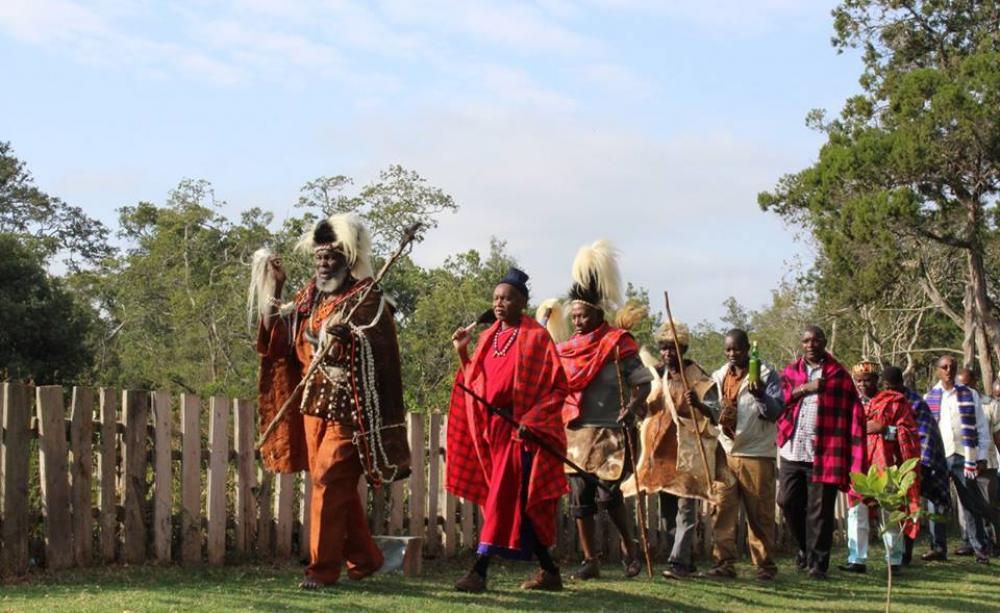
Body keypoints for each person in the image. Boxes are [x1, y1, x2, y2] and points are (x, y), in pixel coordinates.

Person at [250, 213, 410, 588]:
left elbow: (379, 351)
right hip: (311, 407)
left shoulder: (368, 299)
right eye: (319, 258)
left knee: (327, 480)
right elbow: (281, 340)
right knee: (333, 487)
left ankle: (321, 571)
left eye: (331, 258)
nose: (323, 265)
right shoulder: (309, 296)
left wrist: (347, 341)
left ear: (348, 259)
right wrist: (275, 284)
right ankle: (366, 560)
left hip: (349, 410)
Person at [447, 267, 569, 593]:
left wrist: (534, 421)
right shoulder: (488, 338)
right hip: (493, 431)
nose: (500, 303)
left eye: (508, 298)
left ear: (522, 302)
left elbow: (558, 388)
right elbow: (475, 383)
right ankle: (550, 571)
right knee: (516, 503)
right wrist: (462, 351)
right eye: (496, 298)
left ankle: (479, 572)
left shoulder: (536, 337)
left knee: (504, 496)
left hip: (523, 433)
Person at [552, 240, 653, 580]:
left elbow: (645, 383)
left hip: (612, 432)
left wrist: (632, 406)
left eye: (583, 315)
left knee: (609, 497)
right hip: (577, 433)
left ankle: (630, 548)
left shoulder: (617, 344)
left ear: (598, 313)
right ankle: (590, 559)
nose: (578, 321)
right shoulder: (565, 351)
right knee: (580, 499)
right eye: (574, 316)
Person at [630, 320, 727, 580]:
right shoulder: (656, 377)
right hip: (662, 454)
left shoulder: (699, 377)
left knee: (686, 510)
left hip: (689, 454)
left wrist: (698, 404)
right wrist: (637, 408)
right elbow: (649, 411)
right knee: (668, 512)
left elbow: (717, 413)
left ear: (682, 349)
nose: (667, 353)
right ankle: (686, 558)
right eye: (663, 348)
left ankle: (679, 563)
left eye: (672, 348)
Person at [776, 325, 866, 579]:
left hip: (825, 452)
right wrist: (805, 388)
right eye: (806, 340)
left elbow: (854, 414)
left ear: (824, 342)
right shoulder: (791, 372)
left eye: (816, 340)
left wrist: (854, 454)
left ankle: (818, 565)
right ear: (801, 344)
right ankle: (805, 548)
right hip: (793, 449)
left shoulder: (839, 375)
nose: (811, 345)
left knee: (821, 511)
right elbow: (778, 402)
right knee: (787, 501)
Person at [705, 329, 783, 581]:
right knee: (722, 511)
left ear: (748, 348)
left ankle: (765, 567)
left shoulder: (766, 374)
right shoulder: (718, 376)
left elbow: (776, 412)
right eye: (727, 349)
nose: (731, 354)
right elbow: (713, 411)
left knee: (760, 514)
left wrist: (760, 395)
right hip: (725, 450)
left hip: (757, 452)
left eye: (736, 349)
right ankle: (724, 564)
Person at [840, 363, 920, 575]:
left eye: (867, 380)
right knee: (857, 512)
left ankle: (893, 561)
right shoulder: (851, 404)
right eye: (859, 381)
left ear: (877, 381)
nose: (863, 384)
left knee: (889, 513)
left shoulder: (894, 402)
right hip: (858, 466)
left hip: (886, 467)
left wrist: (885, 429)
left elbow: (910, 431)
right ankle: (857, 559)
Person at [922, 356, 991, 564]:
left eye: (952, 367)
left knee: (970, 503)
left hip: (964, 456)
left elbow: (981, 427)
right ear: (937, 371)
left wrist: (980, 457)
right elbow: (926, 431)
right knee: (936, 504)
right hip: (939, 457)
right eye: (944, 367)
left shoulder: (969, 394)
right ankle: (938, 548)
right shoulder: (930, 397)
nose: (949, 370)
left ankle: (979, 548)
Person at [883, 367, 952, 565]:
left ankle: (920, 551)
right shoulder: (884, 401)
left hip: (917, 460)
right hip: (894, 462)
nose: (891, 390)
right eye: (887, 387)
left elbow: (925, 434)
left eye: (894, 387)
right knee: (899, 508)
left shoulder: (914, 403)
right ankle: (898, 553)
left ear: (901, 385)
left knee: (914, 506)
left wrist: (920, 465)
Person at [953, 369, 998, 556]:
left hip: (985, 463)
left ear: (974, 383)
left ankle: (994, 541)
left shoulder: (990, 405)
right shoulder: (954, 402)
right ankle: (971, 542)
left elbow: (997, 434)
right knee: (966, 506)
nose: (963, 388)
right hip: (963, 462)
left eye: (967, 384)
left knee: (988, 504)